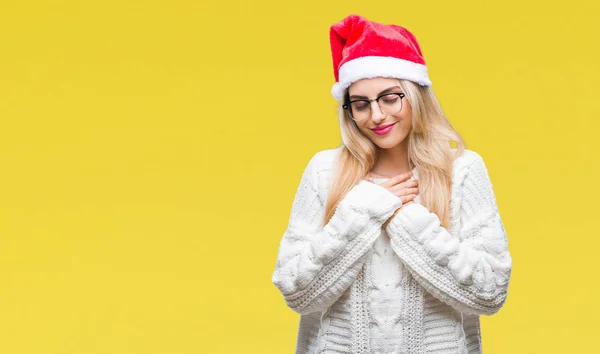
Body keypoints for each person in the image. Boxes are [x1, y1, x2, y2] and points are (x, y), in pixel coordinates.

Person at [271, 14, 512, 354]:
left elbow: (490, 293)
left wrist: (405, 218)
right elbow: (296, 290)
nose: (377, 116)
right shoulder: (325, 171)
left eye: (389, 97)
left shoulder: (462, 170)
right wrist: (365, 210)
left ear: (415, 94)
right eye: (361, 104)